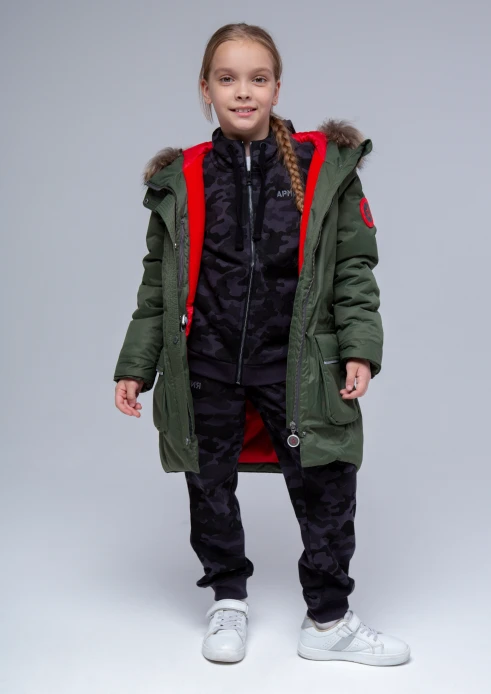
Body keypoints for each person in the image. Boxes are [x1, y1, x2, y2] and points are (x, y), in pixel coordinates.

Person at [113, 22, 411, 666]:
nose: (242, 92)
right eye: (227, 79)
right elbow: (156, 286)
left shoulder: (323, 169)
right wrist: (137, 365)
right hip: (206, 364)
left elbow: (354, 270)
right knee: (208, 486)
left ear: (277, 87)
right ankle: (228, 598)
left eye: (257, 79)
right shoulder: (183, 177)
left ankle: (328, 619)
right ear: (206, 89)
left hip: (298, 365)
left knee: (328, 485)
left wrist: (359, 348)